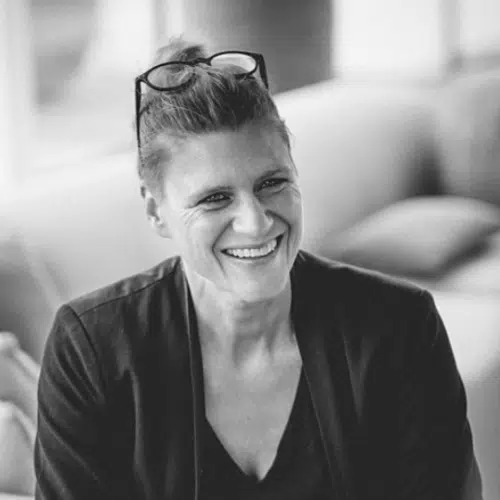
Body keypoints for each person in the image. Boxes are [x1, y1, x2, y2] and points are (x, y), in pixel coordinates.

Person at [34, 38, 483, 500]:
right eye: (215, 198)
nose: (256, 222)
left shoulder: (400, 326)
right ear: (155, 211)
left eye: (272, 183)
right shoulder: (91, 348)